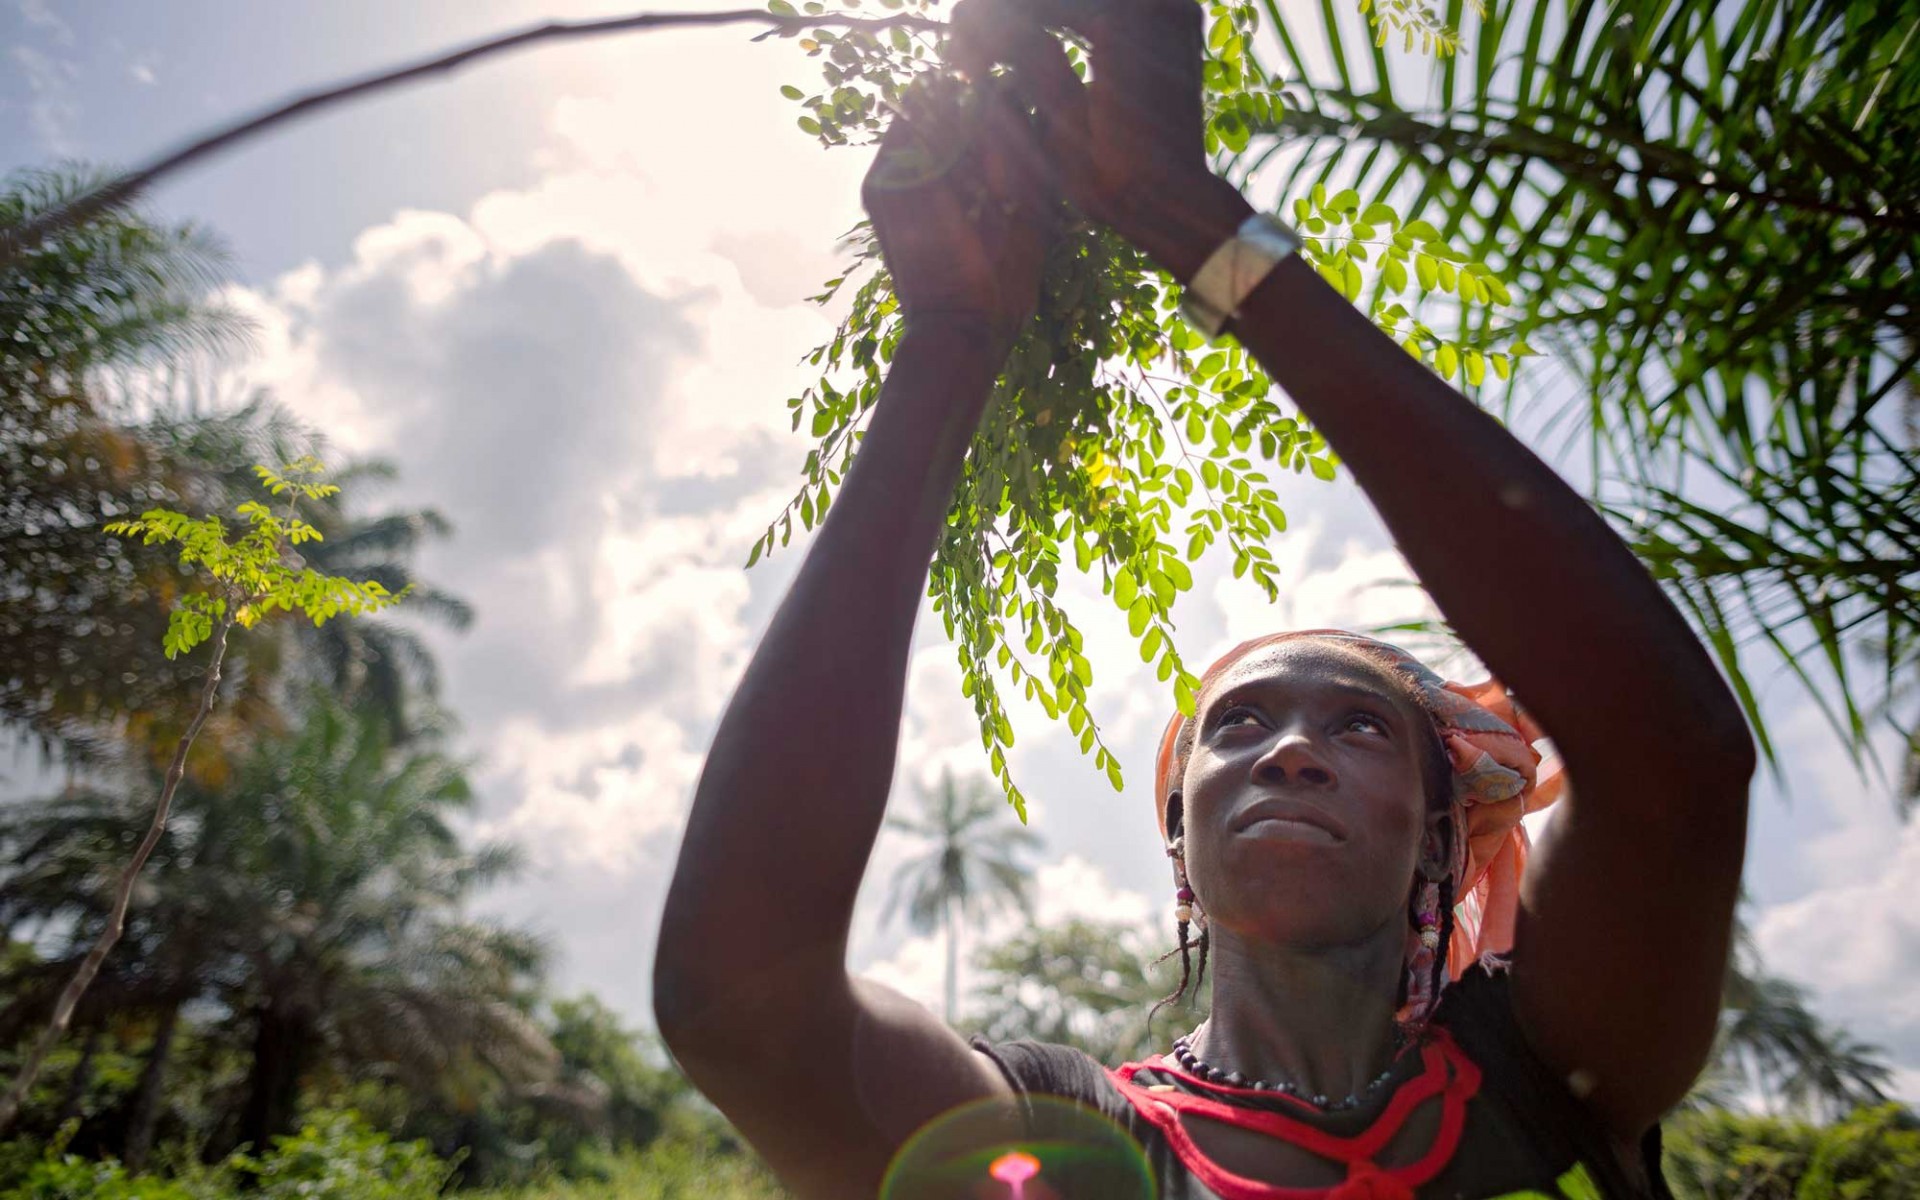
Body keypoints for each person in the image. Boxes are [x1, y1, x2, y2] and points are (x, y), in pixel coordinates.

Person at [653, 0, 1755, 1196]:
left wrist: (1200, 226)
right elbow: (740, 1004)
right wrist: (955, 337)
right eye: (1237, 726)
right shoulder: (1072, 1148)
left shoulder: (1549, 1076)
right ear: (1180, 837)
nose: (1289, 750)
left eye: (1361, 727)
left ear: (1443, 831)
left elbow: (1677, 764)